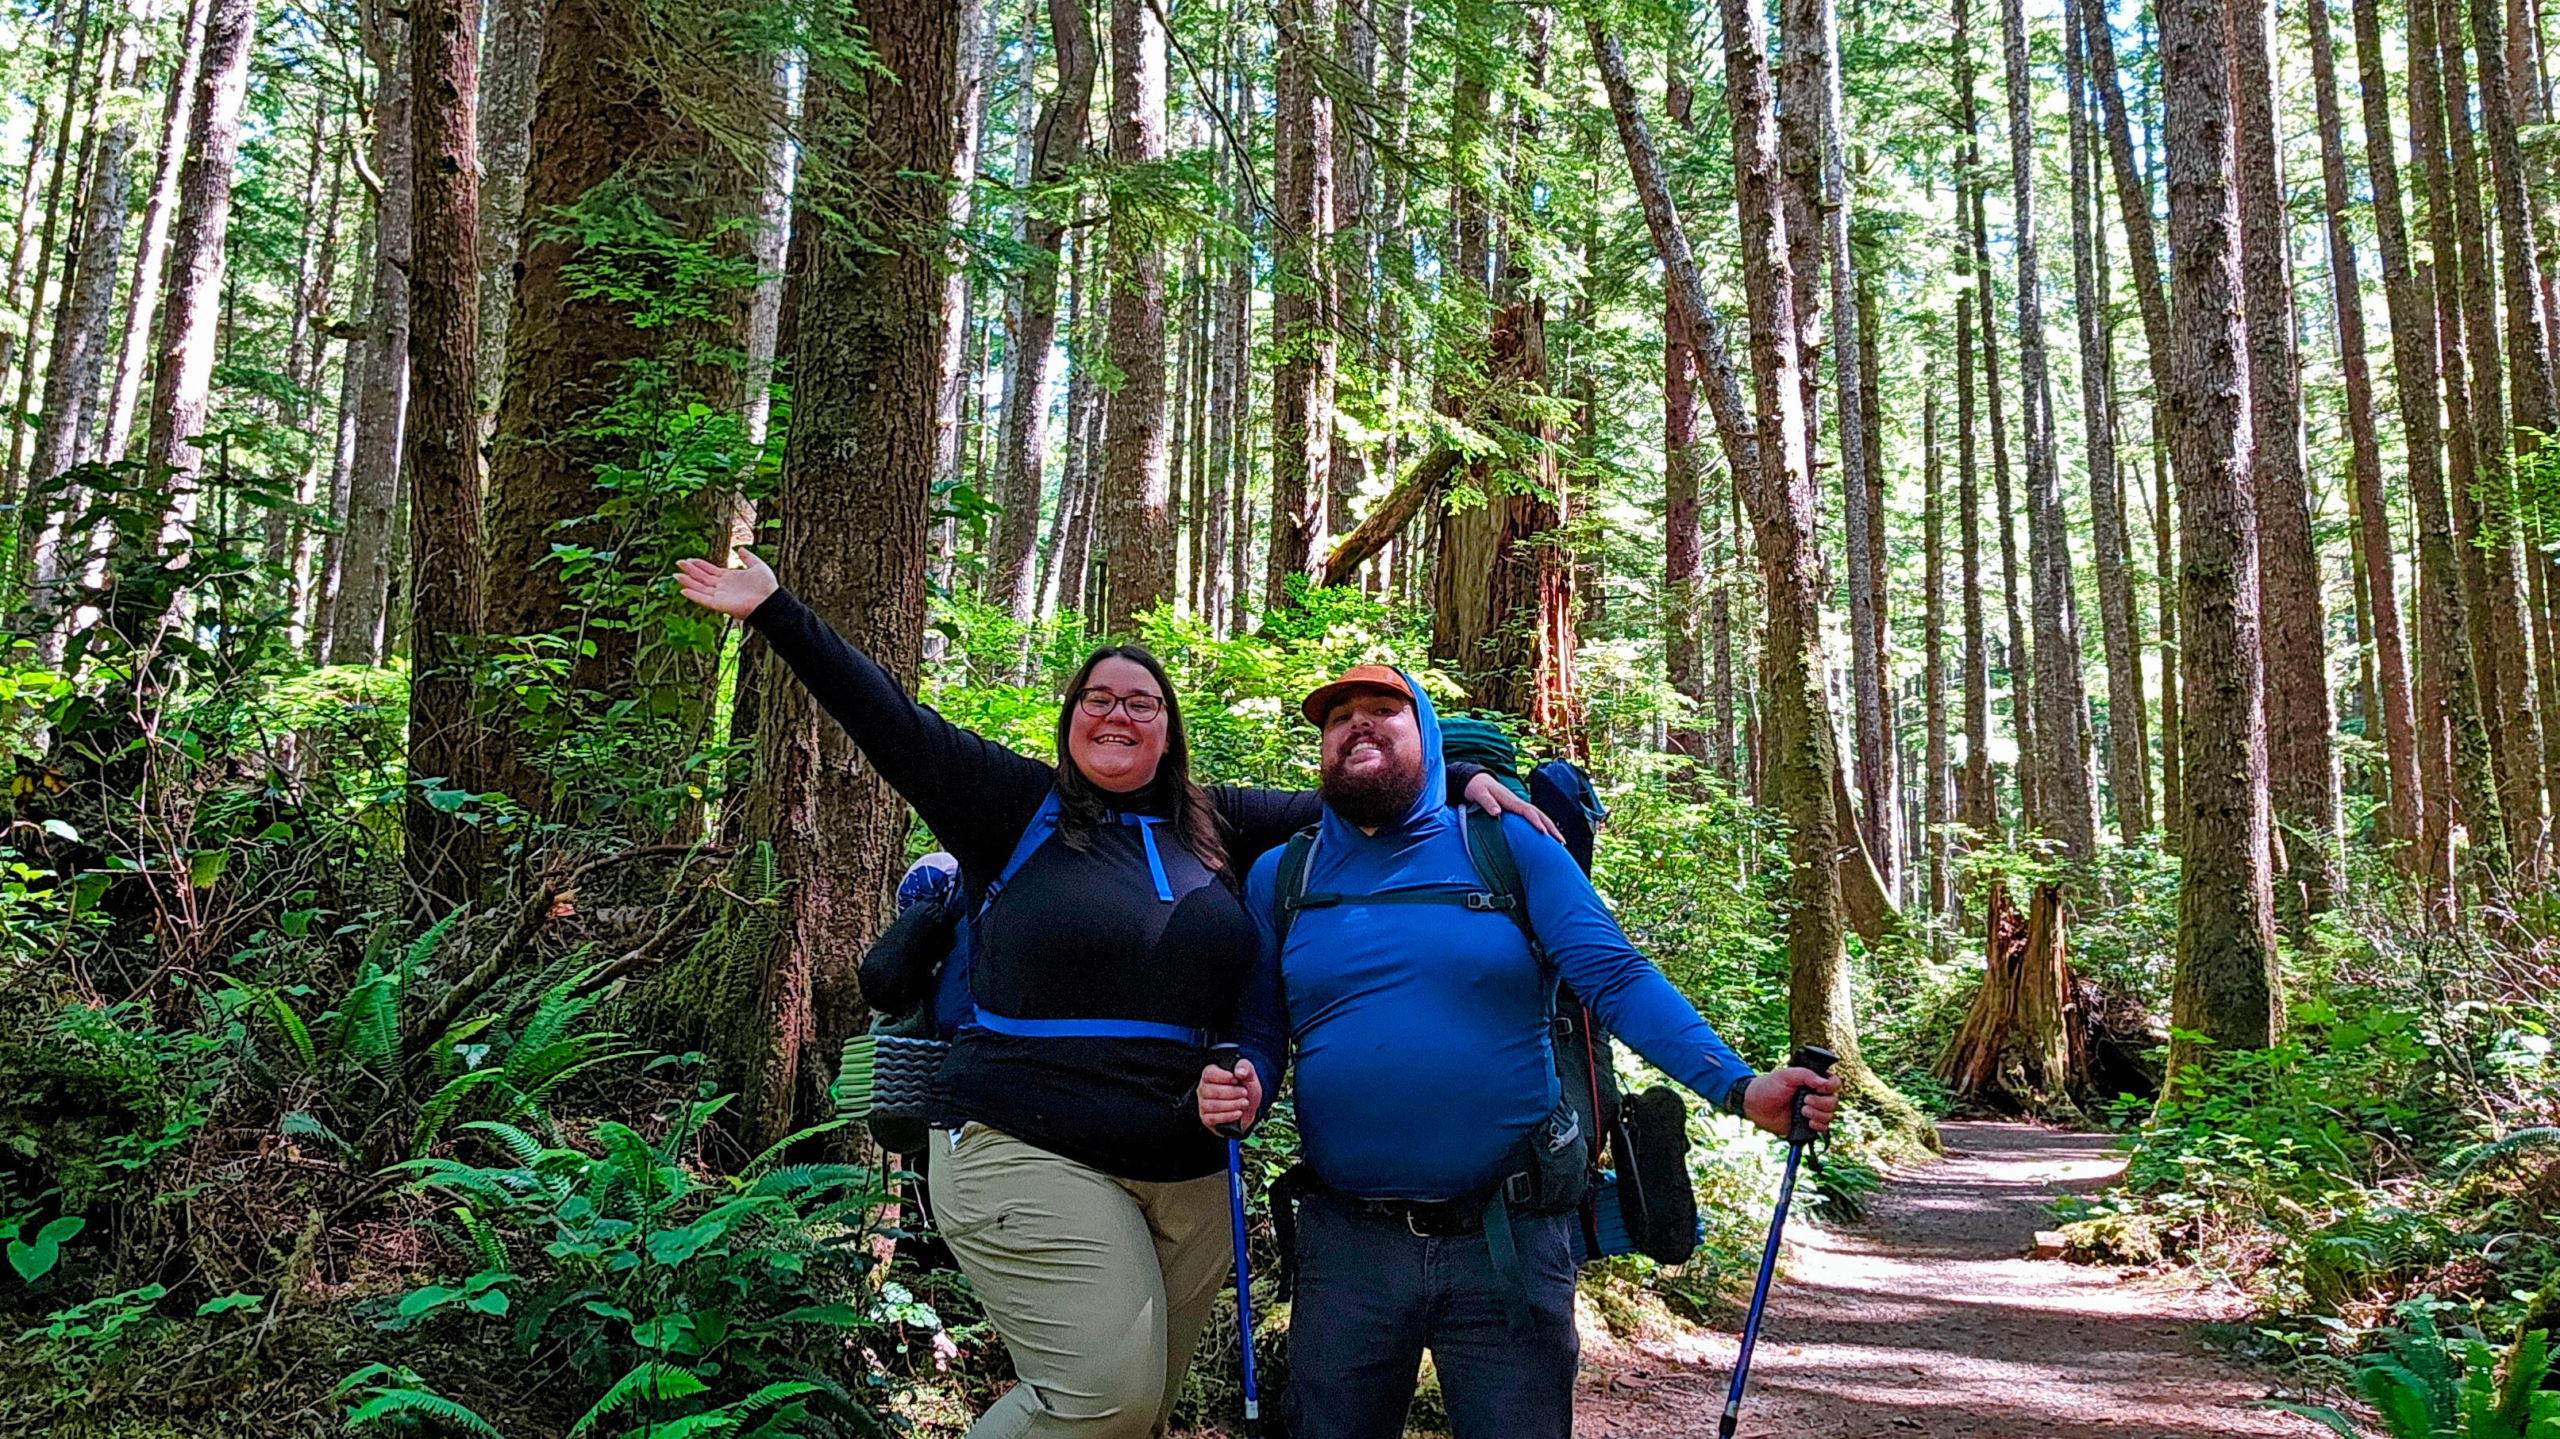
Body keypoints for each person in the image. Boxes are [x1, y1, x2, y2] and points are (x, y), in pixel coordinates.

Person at [672, 553, 1554, 1439]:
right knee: (1102, 1400)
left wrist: (1459, 784)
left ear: (1168, 730)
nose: (1119, 713)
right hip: (1022, 1139)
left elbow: (1358, 797)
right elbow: (889, 719)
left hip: (1187, 1171)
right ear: (1069, 721)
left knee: (1133, 1419)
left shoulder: (1220, 824)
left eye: (1142, 701)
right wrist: (776, 610)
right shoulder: (1010, 805)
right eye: (1098, 697)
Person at [1197, 665, 1840, 1439]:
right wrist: (1244, 1079)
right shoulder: (1283, 874)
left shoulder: (1509, 846)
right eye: (1339, 719)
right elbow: (1263, 1027)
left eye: (1381, 710)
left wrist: (1737, 1087)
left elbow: (1616, 975)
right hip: (1347, 1248)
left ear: (1427, 735)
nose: (1357, 725)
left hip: (1507, 1239)